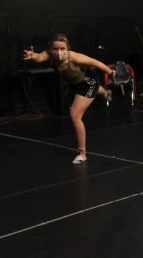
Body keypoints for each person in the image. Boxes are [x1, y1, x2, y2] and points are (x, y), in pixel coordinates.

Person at [22, 34, 114, 164]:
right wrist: (33, 56)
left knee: (75, 115)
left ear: (68, 48)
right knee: (92, 89)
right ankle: (105, 92)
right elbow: (40, 57)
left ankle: (82, 154)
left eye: (62, 48)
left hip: (88, 82)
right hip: (75, 83)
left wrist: (111, 73)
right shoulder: (50, 56)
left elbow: (95, 62)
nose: (59, 52)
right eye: (55, 49)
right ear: (51, 49)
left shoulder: (74, 57)